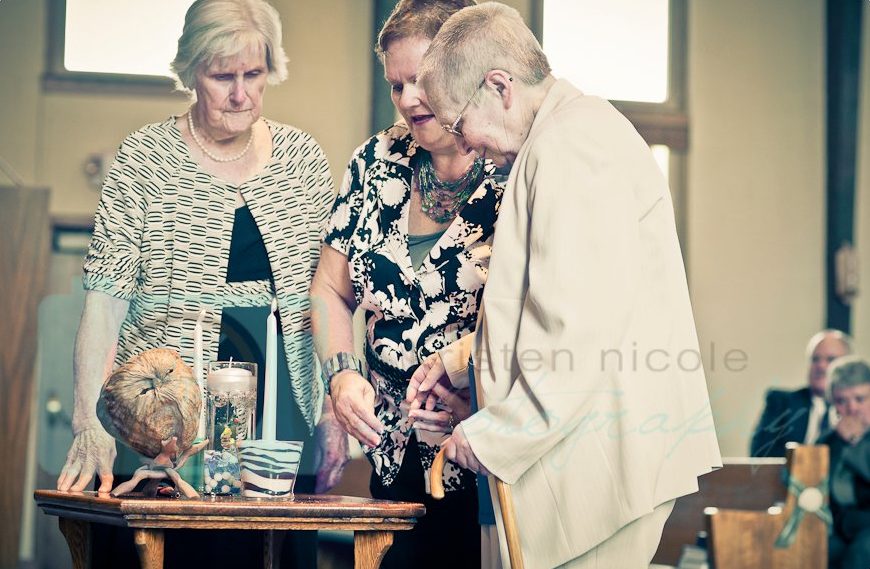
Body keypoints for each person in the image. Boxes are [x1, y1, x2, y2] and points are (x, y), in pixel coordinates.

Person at [409, 3, 723, 567]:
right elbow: (547, 299)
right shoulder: (562, 137)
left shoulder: (571, 145)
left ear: (499, 86)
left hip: (600, 462)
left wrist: (493, 435)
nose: (466, 145)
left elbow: (574, 336)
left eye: (459, 125)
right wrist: (462, 360)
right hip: (585, 452)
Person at [56, 0, 343, 565]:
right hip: (163, 419)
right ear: (190, 72)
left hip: (280, 420)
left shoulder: (303, 160)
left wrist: (333, 409)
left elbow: (331, 293)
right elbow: (105, 302)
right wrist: (87, 421)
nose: (241, 95)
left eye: (254, 75)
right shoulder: (145, 161)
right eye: (222, 77)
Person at [309, 1, 503, 567]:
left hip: (481, 461)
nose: (409, 99)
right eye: (396, 85)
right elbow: (330, 289)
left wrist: (478, 392)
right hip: (391, 461)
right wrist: (342, 378)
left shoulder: (513, 167)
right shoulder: (376, 159)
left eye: (420, 80)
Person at [751, 329, 853, 457]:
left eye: (830, 359)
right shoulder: (781, 403)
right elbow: (760, 457)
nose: (821, 366)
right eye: (815, 359)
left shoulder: (857, 409)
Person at [820, 356, 870, 569]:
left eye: (860, 399)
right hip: (840, 527)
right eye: (842, 401)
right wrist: (841, 444)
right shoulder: (827, 442)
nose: (852, 408)